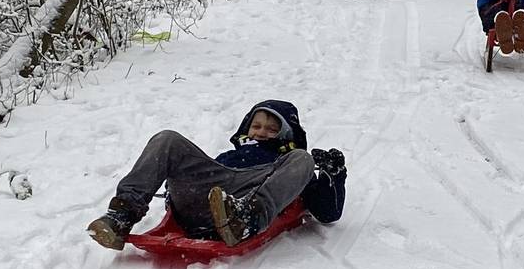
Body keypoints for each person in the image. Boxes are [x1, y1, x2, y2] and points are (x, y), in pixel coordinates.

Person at [86, 100, 347, 250]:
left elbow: (328, 212)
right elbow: (203, 176)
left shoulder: (287, 163)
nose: (260, 132)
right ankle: (122, 215)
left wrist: (332, 175)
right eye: (256, 125)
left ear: (286, 135)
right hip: (208, 196)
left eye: (271, 129)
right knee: (168, 139)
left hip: (250, 194)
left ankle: (245, 219)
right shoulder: (227, 156)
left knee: (304, 158)